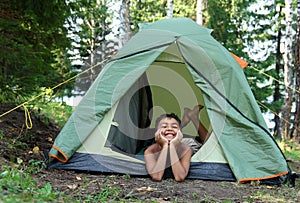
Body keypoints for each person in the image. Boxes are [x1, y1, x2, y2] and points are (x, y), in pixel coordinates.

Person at [144, 105, 209, 182]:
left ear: (180, 132)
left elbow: (179, 177)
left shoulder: (186, 149)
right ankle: (187, 119)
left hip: (186, 143)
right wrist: (165, 145)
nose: (169, 128)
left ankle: (193, 118)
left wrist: (172, 145)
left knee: (207, 142)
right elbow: (157, 176)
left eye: (174, 127)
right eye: (164, 126)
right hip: (171, 141)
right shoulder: (150, 151)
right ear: (156, 132)